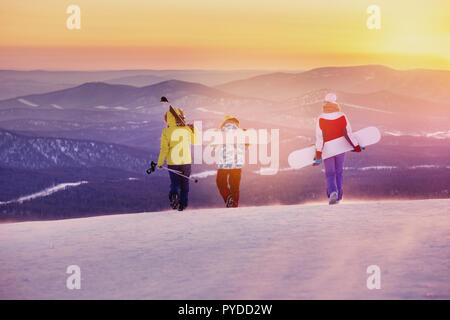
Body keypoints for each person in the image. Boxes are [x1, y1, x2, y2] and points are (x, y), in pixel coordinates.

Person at [314, 93, 363, 205]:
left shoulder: (321, 118)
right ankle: (339, 197)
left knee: (330, 173)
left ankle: (332, 193)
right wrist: (356, 147)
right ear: (336, 103)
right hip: (340, 148)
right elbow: (348, 134)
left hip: (328, 150)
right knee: (338, 172)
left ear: (325, 103)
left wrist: (318, 154)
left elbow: (319, 137)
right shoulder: (342, 115)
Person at [157, 97, 197, 211]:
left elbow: (164, 149)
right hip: (186, 162)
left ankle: (174, 194)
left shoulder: (166, 132)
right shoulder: (187, 129)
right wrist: (194, 130)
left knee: (175, 183)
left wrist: (160, 163)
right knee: (185, 184)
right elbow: (195, 141)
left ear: (167, 119)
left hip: (173, 162)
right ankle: (183, 205)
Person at [215, 115, 245, 208]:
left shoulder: (220, 132)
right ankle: (234, 205)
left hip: (224, 164)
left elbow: (216, 147)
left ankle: (228, 197)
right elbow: (245, 147)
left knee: (221, 183)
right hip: (237, 165)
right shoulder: (241, 133)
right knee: (235, 186)